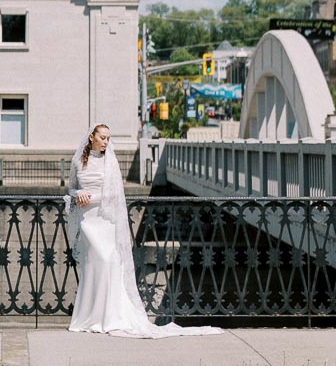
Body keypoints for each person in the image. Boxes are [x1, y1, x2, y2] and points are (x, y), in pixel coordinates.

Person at [65, 122, 221, 338]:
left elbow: (115, 195)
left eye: (108, 138)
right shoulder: (77, 161)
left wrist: (93, 198)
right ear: (91, 137)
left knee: (107, 261)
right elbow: (71, 188)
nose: (106, 142)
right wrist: (78, 194)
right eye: (102, 138)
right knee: (93, 265)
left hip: (104, 219)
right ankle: (89, 316)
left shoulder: (110, 161)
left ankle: (109, 316)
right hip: (87, 219)